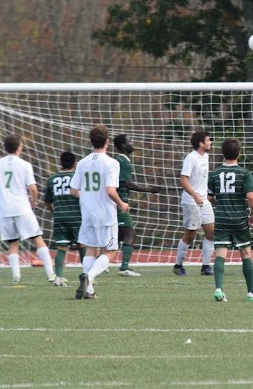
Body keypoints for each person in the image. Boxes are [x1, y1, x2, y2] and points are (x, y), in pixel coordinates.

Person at [0, 133, 56, 284]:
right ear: (19, 147)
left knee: (13, 243)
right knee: (37, 239)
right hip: (22, 207)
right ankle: (50, 274)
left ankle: (16, 276)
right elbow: (33, 188)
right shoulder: (24, 165)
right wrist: (34, 201)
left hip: (5, 210)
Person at [70, 124, 129, 300]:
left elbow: (73, 191)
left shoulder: (82, 163)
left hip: (87, 212)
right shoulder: (112, 163)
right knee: (110, 251)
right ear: (107, 141)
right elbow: (110, 190)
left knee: (91, 249)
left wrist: (88, 196)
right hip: (105, 213)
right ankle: (90, 277)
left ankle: (88, 290)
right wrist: (121, 204)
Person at [207, 138, 253, 301]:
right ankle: (251, 292)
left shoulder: (215, 173)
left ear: (223, 153)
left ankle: (219, 289)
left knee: (220, 253)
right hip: (239, 219)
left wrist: (222, 201)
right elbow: (250, 195)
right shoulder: (244, 173)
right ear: (239, 153)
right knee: (245, 253)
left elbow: (209, 197)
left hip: (222, 218)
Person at [113, 133, 163, 277]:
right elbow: (126, 183)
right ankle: (124, 268)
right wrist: (149, 189)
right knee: (130, 233)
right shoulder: (123, 161)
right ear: (123, 145)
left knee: (115, 236)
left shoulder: (121, 160)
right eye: (130, 141)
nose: (132, 143)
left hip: (117, 201)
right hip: (120, 202)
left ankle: (100, 261)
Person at [174, 131, 215, 277]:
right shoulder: (191, 158)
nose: (210, 142)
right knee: (190, 234)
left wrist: (207, 195)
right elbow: (183, 180)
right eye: (208, 140)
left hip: (203, 200)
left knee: (211, 232)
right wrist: (195, 195)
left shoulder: (207, 156)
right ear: (201, 144)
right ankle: (178, 265)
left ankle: (206, 266)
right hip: (191, 201)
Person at [43, 150, 85, 286]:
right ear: (74, 163)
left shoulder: (52, 180)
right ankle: (87, 275)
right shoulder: (77, 177)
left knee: (61, 247)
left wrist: (54, 212)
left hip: (59, 216)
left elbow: (47, 201)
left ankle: (58, 277)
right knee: (82, 245)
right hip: (76, 216)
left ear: (60, 163)